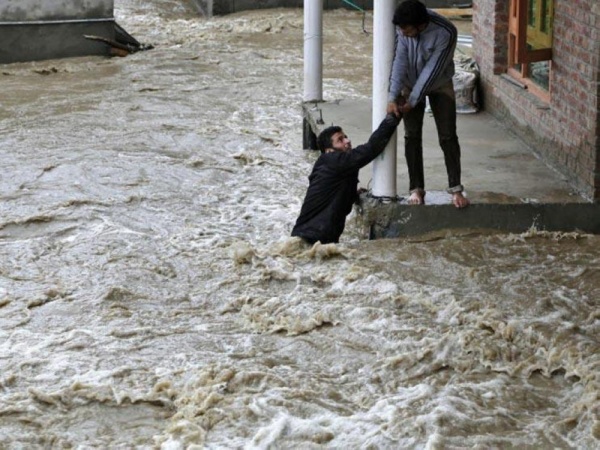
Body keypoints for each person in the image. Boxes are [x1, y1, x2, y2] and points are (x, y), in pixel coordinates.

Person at [386, 0, 469, 208]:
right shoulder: (403, 28)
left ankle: (456, 189)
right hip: (409, 82)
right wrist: (392, 97)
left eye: (406, 30)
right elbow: (399, 61)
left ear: (420, 25)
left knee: (448, 135)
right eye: (400, 30)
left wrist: (413, 101)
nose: (403, 34)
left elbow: (432, 71)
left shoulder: (446, 32)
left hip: (440, 82)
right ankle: (416, 189)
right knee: (411, 135)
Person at [292, 113, 401, 245]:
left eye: (346, 137)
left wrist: (353, 194)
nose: (347, 141)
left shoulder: (334, 167)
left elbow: (331, 196)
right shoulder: (333, 160)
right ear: (329, 151)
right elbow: (371, 148)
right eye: (340, 140)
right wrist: (393, 117)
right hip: (311, 239)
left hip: (315, 241)